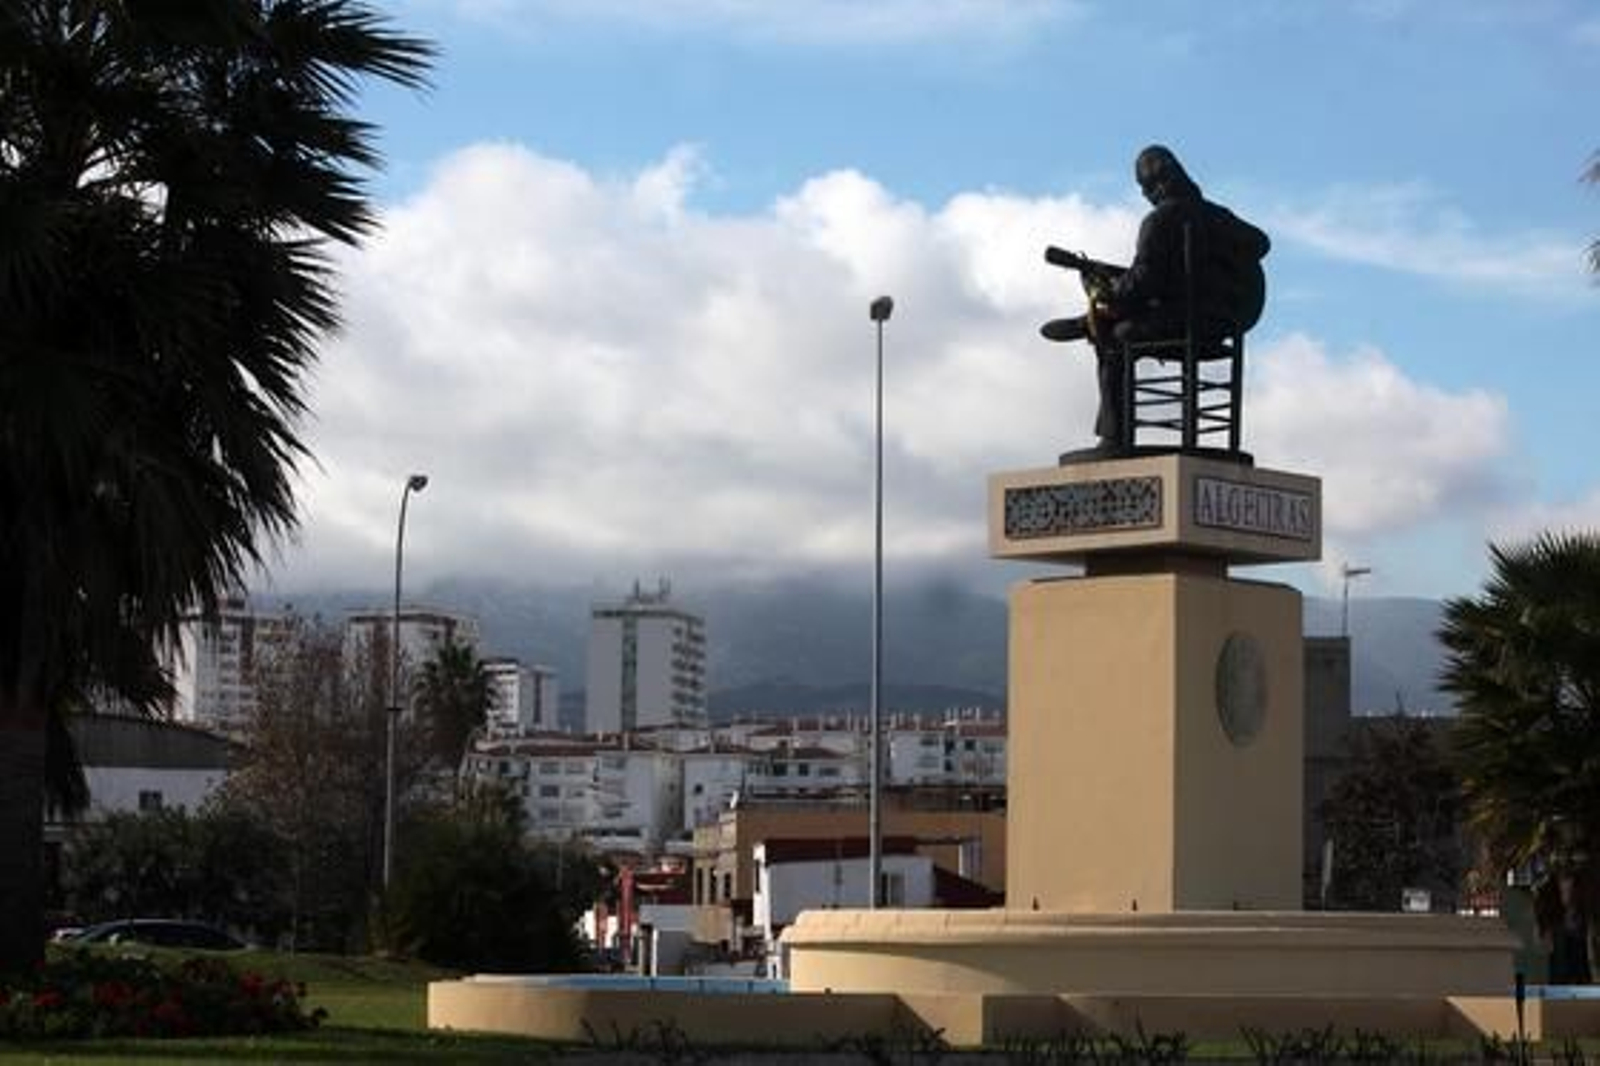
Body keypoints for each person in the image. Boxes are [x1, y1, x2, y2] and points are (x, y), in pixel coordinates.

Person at [1041, 145, 1270, 452]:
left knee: (1114, 335)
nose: (1145, 196)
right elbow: (1260, 243)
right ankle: (1087, 323)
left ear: (1157, 184)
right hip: (1225, 320)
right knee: (1132, 312)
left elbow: (1141, 285)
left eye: (1145, 187)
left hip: (1189, 322)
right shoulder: (1217, 215)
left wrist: (1109, 293)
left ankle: (1113, 437)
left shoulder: (1159, 222)